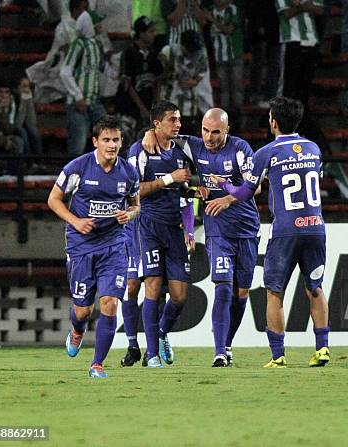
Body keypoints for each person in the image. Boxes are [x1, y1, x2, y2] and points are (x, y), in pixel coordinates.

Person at [210, 96, 330, 368]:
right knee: (315, 288)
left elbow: (244, 192)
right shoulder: (313, 149)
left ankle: (278, 356)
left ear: (273, 122)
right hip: (316, 228)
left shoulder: (266, 152)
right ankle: (322, 349)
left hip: (285, 231)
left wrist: (225, 186)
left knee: (274, 293)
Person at [143, 107, 260, 367]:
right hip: (218, 230)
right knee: (223, 287)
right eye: (205, 131)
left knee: (241, 294)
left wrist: (229, 199)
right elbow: (165, 132)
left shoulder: (240, 149)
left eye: (215, 132)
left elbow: (256, 185)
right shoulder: (193, 146)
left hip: (247, 229)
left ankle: (227, 345)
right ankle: (219, 351)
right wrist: (148, 133)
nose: (209, 137)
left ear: (227, 130)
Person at [46, 115, 140, 378]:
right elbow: (53, 199)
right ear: (95, 141)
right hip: (81, 246)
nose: (112, 145)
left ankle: (97, 364)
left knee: (110, 302)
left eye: (116, 140)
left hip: (114, 245)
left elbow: (135, 205)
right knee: (83, 310)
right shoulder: (78, 168)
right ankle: (77, 329)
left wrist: (128, 215)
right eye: (107, 140)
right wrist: (75, 221)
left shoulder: (129, 172)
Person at [127, 101, 195, 368]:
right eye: (172, 120)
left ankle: (162, 333)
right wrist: (169, 179)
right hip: (148, 226)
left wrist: (192, 192)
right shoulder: (139, 151)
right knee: (151, 286)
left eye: (179, 120)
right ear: (156, 124)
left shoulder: (180, 152)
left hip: (174, 228)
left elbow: (183, 192)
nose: (178, 124)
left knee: (179, 296)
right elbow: (132, 190)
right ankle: (150, 353)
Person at [60, 9, 107, 155]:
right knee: (78, 145)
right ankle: (73, 176)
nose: (100, 26)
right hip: (77, 102)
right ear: (89, 24)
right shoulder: (78, 44)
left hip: (94, 101)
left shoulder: (97, 44)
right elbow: (65, 72)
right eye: (97, 23)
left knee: (109, 134)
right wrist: (78, 96)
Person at [159, 30, 208, 136]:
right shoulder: (169, 51)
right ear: (182, 44)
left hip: (189, 105)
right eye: (189, 48)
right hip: (170, 101)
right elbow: (158, 73)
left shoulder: (200, 54)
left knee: (187, 138)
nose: (191, 52)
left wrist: (193, 82)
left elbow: (201, 73)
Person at [275, 0, 324, 107]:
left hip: (311, 40)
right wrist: (305, 6)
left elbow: (320, 9)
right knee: (288, 84)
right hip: (291, 40)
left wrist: (299, 6)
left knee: (306, 84)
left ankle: (303, 117)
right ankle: (284, 116)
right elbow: (285, 13)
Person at [118, 16, 163, 128]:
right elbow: (127, 85)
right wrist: (142, 109)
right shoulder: (130, 52)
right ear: (141, 33)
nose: (154, 34)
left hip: (148, 107)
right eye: (151, 31)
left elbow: (157, 81)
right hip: (130, 108)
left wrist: (155, 108)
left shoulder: (153, 53)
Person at [206, 0, 244, 127]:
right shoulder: (210, 10)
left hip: (234, 54)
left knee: (236, 87)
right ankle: (225, 120)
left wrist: (213, 20)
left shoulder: (232, 9)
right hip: (218, 55)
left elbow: (229, 30)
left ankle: (238, 117)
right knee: (224, 89)